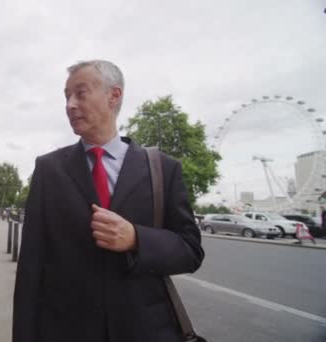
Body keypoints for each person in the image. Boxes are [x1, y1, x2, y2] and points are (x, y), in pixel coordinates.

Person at [12, 60, 204, 342]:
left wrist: (137, 238)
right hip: (66, 330)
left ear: (114, 96)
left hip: (144, 331)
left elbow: (190, 250)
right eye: (66, 96)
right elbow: (30, 268)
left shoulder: (163, 168)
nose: (70, 104)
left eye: (80, 93)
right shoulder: (49, 169)